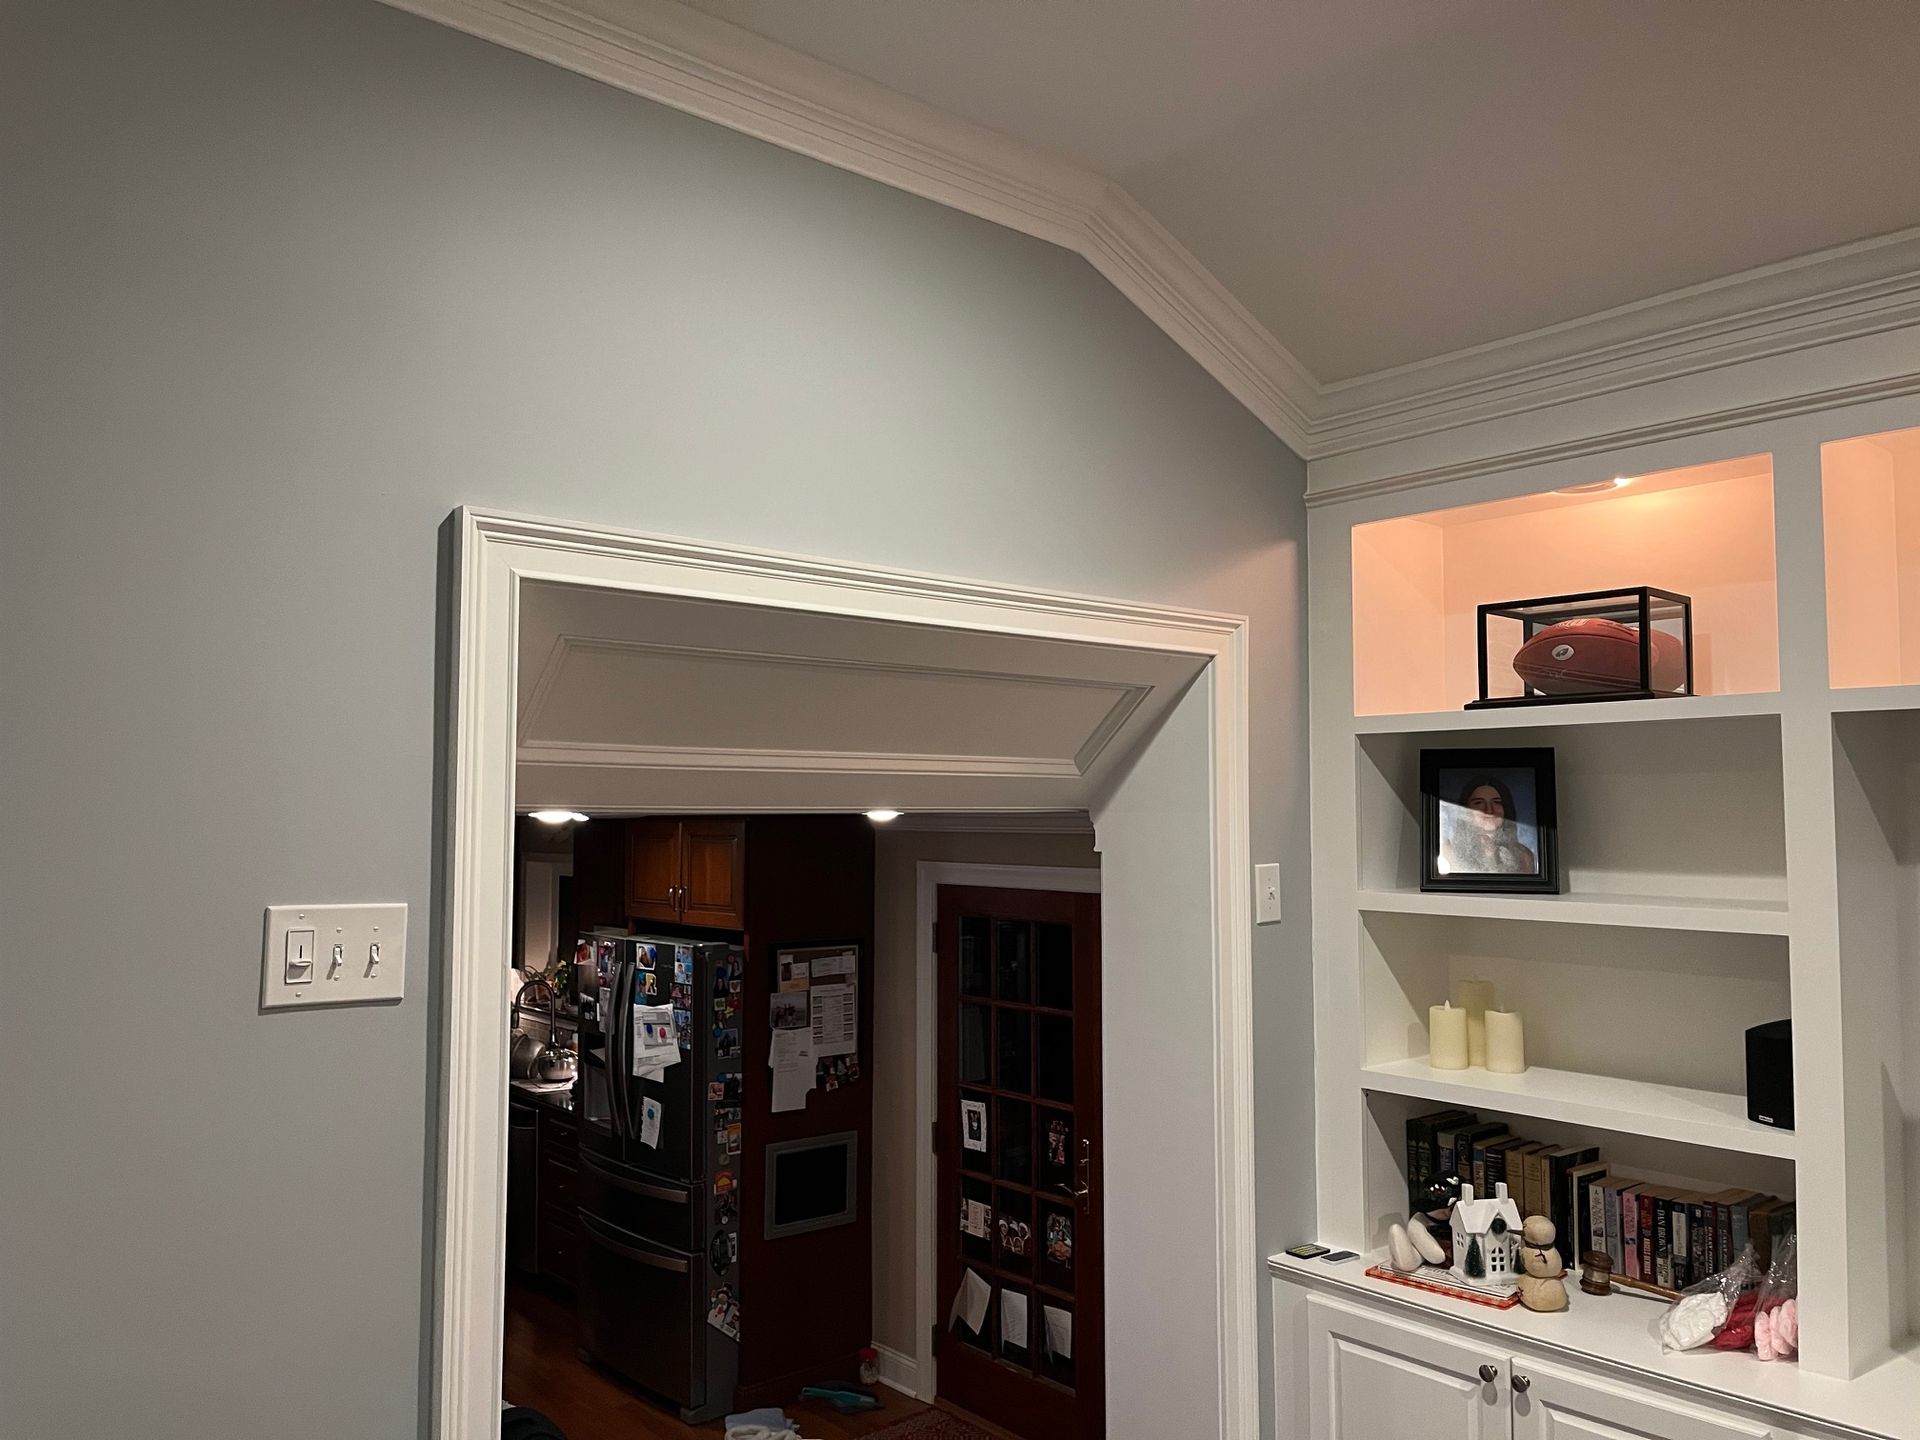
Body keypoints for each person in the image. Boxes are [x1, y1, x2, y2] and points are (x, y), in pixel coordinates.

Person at [1439, 774, 1537, 875]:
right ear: (1466, 810)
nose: (1489, 810)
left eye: (1496, 802)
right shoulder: (1447, 852)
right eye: (1478, 803)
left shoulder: (1524, 856)